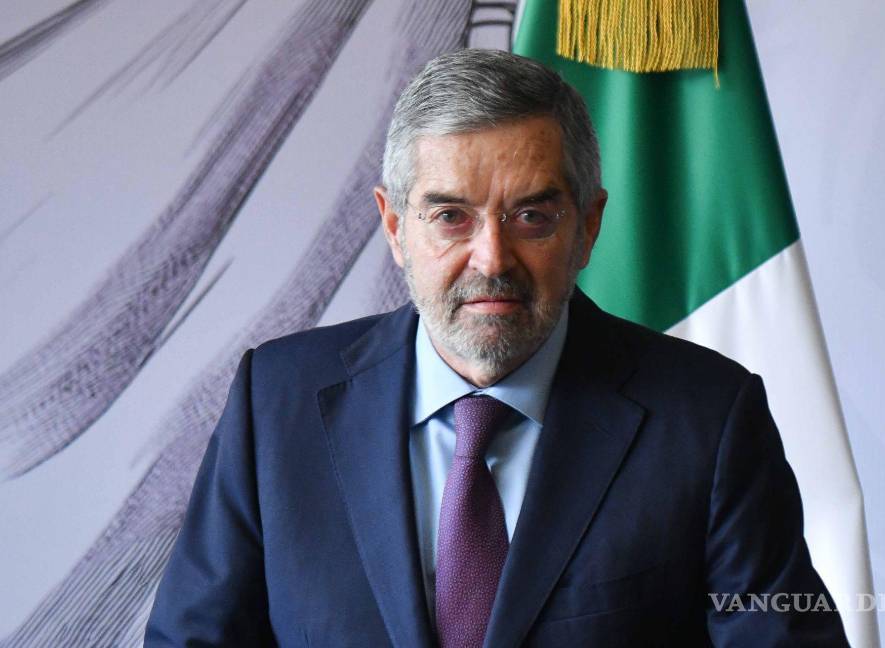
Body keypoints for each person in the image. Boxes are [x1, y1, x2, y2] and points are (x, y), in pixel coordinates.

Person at [145, 49, 849, 647]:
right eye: (451, 216)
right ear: (395, 226)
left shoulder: (707, 416)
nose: (492, 258)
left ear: (588, 226)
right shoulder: (276, 402)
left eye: (532, 216)